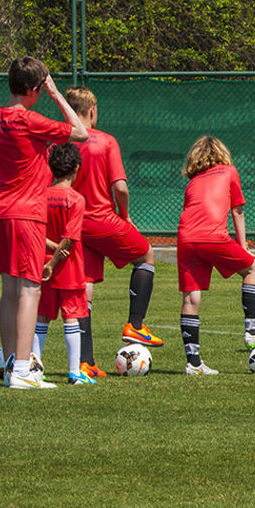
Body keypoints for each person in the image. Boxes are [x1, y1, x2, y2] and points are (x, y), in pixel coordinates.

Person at [0, 57, 89, 388]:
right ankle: (21, 369)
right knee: (30, 290)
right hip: (27, 214)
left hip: (1, 212)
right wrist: (57, 94)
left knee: (8, 292)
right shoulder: (30, 119)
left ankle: (10, 365)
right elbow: (81, 132)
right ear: (35, 89)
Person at [64, 87, 166, 379]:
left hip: (74, 222)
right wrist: (125, 216)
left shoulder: (60, 141)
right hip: (101, 218)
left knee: (85, 287)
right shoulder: (105, 141)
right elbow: (120, 187)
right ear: (92, 111)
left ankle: (86, 361)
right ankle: (135, 323)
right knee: (145, 253)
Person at [177, 136, 255, 375]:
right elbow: (237, 211)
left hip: (186, 238)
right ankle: (252, 332)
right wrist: (243, 246)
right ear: (222, 153)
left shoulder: (193, 182)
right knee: (250, 268)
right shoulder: (229, 171)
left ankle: (193, 363)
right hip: (212, 236)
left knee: (191, 298)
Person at [32, 143, 93, 386]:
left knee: (41, 318)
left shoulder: (41, 195)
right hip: (68, 268)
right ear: (76, 168)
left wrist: (49, 258)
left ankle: (35, 368)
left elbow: (37, 231)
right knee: (71, 318)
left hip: (43, 264)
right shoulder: (76, 200)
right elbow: (69, 238)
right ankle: (74, 372)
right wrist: (56, 260)